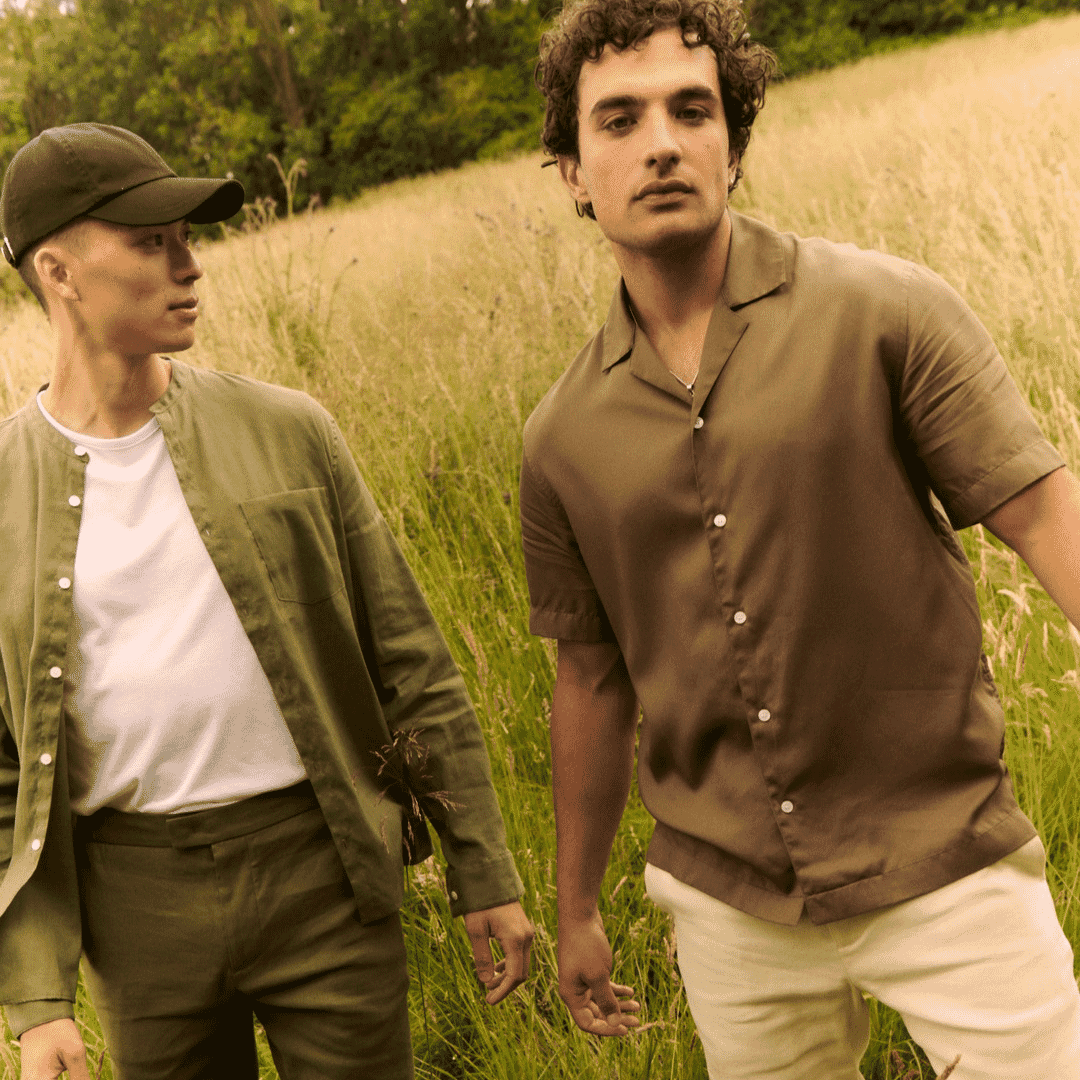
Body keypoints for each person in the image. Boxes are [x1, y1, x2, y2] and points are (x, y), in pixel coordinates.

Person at [521, 1, 1080, 1076]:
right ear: (572, 173)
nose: (663, 142)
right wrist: (576, 904)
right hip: (731, 908)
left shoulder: (886, 311)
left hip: (945, 864)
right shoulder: (561, 438)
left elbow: (1044, 511)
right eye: (619, 119)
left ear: (735, 141)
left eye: (693, 109)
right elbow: (589, 680)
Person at [0, 122, 533, 1080]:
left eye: (188, 237)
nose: (188, 264)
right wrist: (38, 1001)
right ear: (59, 272)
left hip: (322, 871)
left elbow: (412, 662)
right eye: (150, 241)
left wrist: (480, 867)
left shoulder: (291, 431)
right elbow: (5, 769)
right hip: (139, 906)